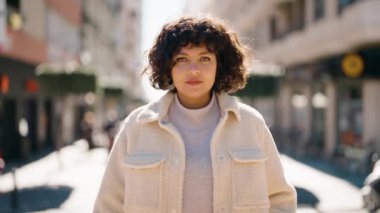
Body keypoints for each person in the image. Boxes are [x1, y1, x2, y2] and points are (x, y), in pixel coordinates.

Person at [94, 15, 296, 213]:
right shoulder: (137, 125)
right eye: (182, 59)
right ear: (168, 66)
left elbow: (280, 199)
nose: (193, 70)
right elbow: (108, 204)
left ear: (220, 65)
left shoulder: (251, 124)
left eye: (205, 58)